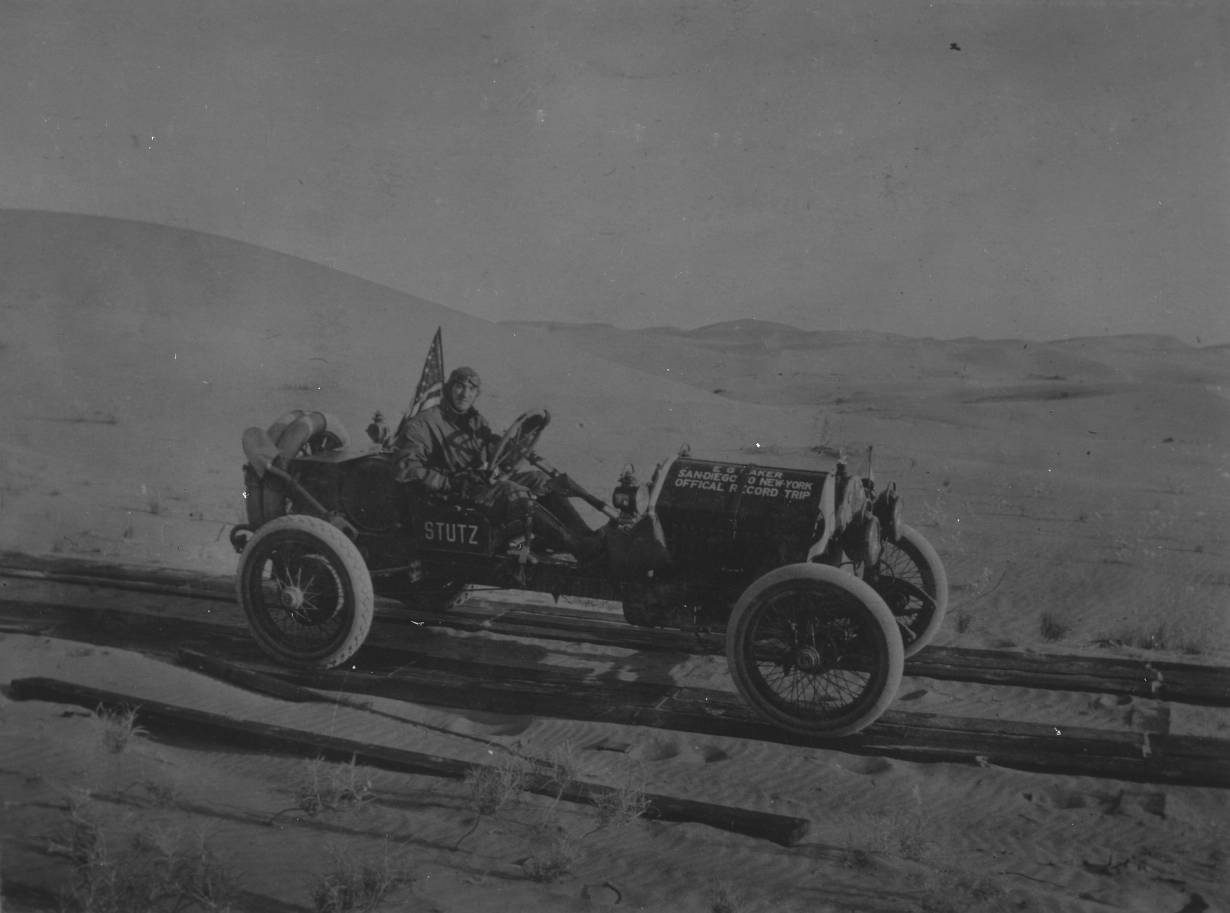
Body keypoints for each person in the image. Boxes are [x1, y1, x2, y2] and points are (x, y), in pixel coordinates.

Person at [393, 366, 602, 558]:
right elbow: (406, 468)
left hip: (477, 487)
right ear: (448, 388)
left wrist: (521, 439)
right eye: (459, 386)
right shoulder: (424, 423)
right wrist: (450, 482)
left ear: (477, 394)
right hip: (449, 497)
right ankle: (574, 547)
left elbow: (497, 455)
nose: (465, 394)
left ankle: (587, 538)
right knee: (512, 491)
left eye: (471, 389)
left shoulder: (475, 422)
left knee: (541, 480)